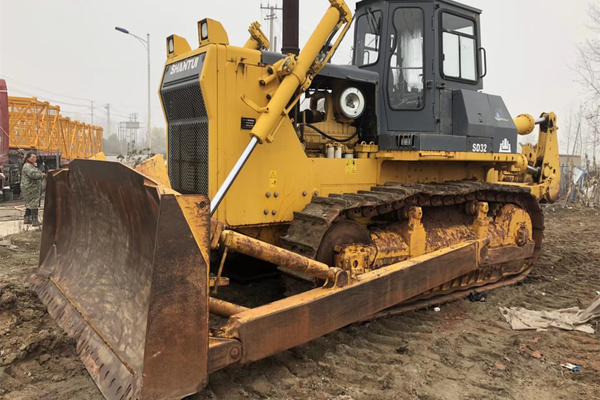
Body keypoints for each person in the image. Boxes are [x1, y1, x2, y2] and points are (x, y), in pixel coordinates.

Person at [21, 152, 45, 226]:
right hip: (30, 188)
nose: (35, 159)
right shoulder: (28, 166)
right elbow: (33, 175)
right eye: (33, 157)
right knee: (34, 203)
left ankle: (27, 218)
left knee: (30, 203)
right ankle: (35, 220)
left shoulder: (31, 165)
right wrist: (42, 175)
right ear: (28, 158)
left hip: (30, 187)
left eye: (35, 157)